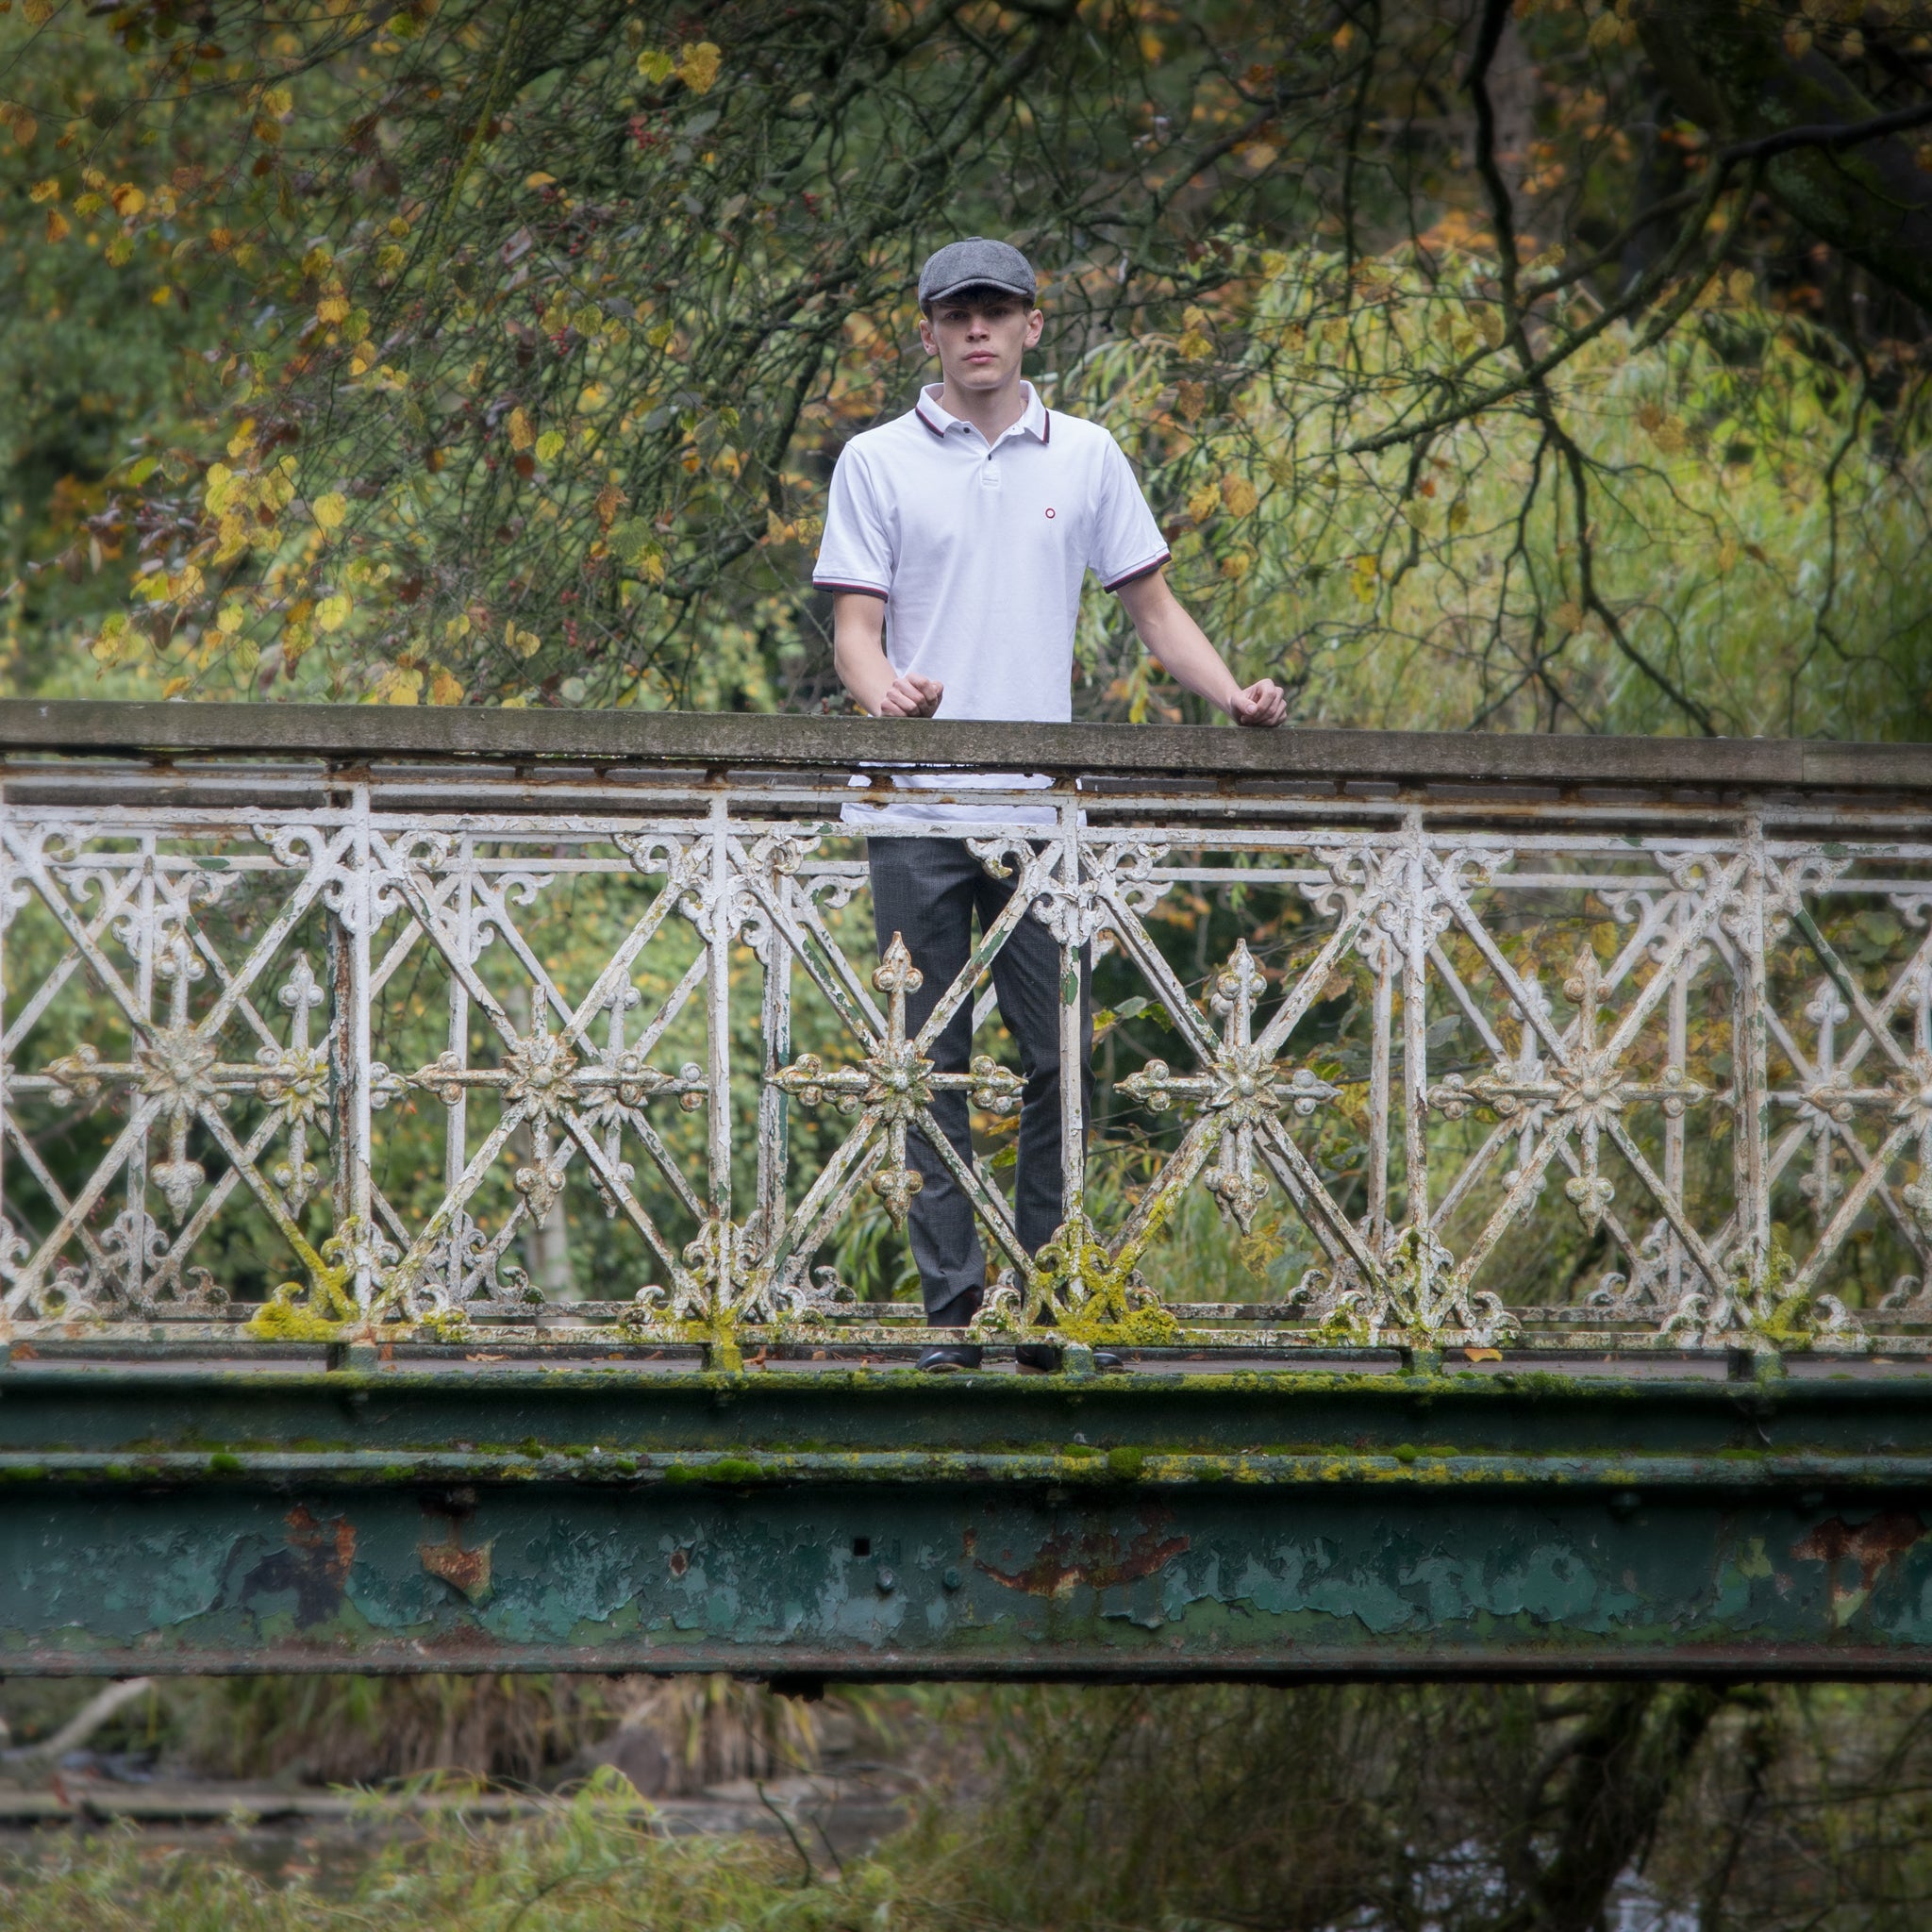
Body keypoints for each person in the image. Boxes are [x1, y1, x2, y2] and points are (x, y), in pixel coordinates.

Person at [813, 237, 1287, 1372]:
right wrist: (889, 698)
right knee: (922, 1063)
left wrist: (1235, 695)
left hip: (1042, 816)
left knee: (1057, 1060)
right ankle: (950, 1316)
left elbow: (1153, 608)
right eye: (955, 314)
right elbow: (853, 635)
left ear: (1032, 326)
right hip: (913, 805)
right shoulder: (875, 460)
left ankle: (1043, 1297)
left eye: (998, 312)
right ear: (925, 333)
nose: (977, 330)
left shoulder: (1085, 455)